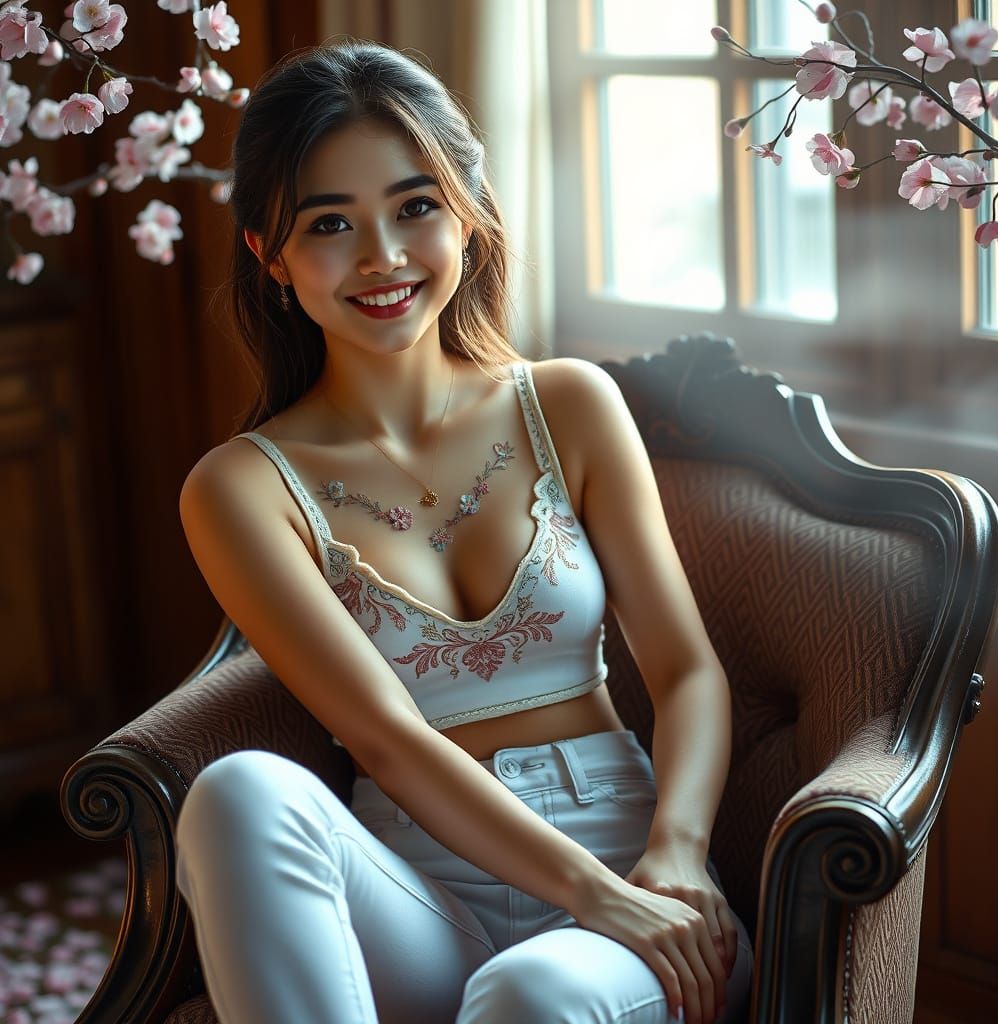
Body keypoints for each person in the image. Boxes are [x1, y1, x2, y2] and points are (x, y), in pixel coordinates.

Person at [173, 39, 753, 1024]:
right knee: (233, 795)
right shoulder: (241, 487)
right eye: (329, 224)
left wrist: (675, 854)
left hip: (628, 872)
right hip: (417, 895)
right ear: (269, 255)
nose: (383, 258)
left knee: (529, 992)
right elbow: (384, 739)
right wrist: (586, 892)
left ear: (468, 215)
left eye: (415, 207)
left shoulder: (569, 404)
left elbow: (687, 670)